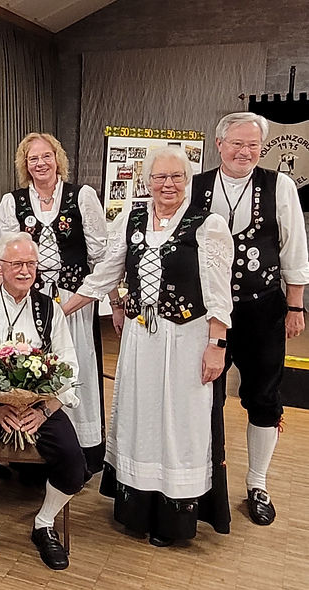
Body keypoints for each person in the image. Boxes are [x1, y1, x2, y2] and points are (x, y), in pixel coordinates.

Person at [63, 145, 234, 546]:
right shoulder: (133, 218)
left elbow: (218, 293)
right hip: (142, 336)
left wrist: (217, 344)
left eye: (176, 177)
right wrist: (61, 309)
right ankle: (136, 511)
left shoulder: (207, 224)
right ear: (147, 181)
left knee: (180, 422)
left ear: (187, 181)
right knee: (140, 417)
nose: (168, 185)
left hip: (188, 336)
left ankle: (174, 518)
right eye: (160, 177)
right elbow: (106, 273)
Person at [189, 112, 309, 526]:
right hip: (206, 315)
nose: (245, 152)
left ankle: (257, 483)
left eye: (253, 145)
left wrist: (295, 306)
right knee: (206, 396)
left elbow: (294, 248)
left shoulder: (280, 185)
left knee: (262, 397)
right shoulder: (196, 186)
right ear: (218, 144)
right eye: (237, 144)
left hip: (262, 310)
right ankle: (202, 479)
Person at [0, 233, 85, 570]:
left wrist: (43, 411)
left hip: (38, 407)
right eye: (17, 264)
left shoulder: (49, 309)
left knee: (74, 462)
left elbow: (68, 367)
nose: (25, 271)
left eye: (31, 264)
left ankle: (44, 524)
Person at [0, 133, 108, 472]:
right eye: (33, 158)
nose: (40, 163)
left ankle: (78, 451)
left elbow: (101, 255)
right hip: (30, 303)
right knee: (30, 370)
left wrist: (77, 301)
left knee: (76, 370)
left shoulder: (81, 196)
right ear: (24, 165)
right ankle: (31, 449)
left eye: (46, 156)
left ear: (58, 159)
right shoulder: (12, 202)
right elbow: (5, 259)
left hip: (74, 299)